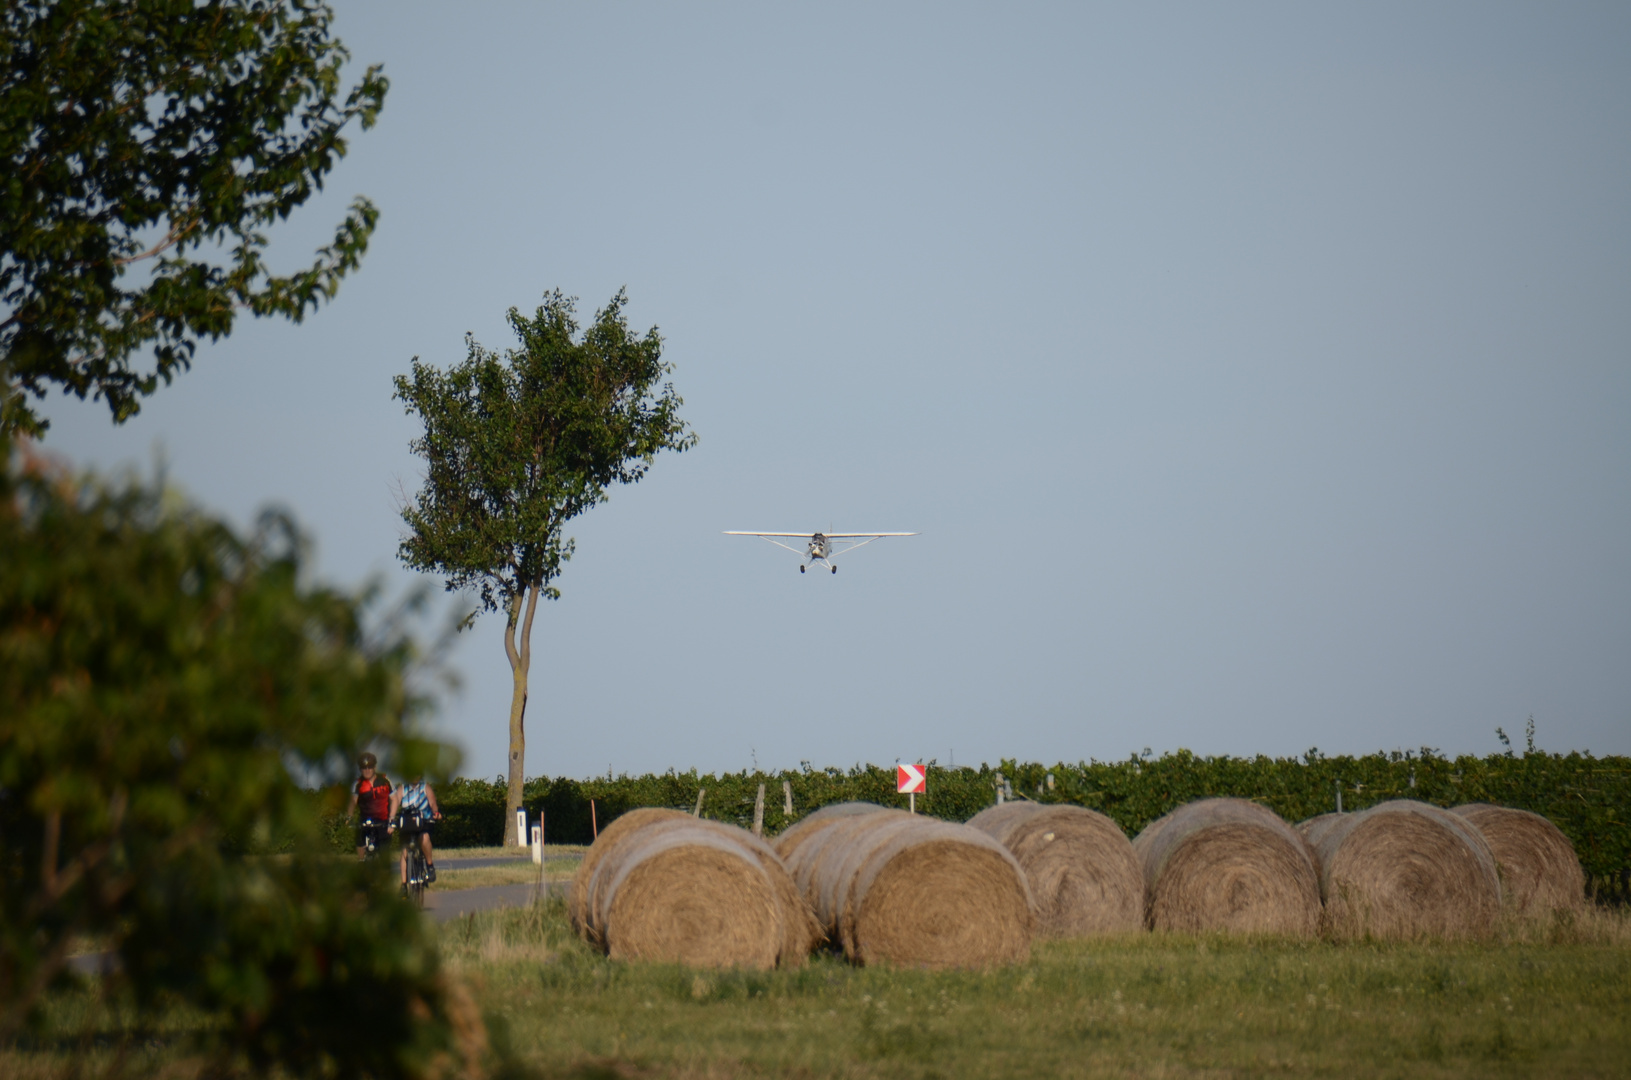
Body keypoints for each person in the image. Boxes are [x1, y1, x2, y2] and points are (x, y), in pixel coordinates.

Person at [389, 774, 442, 890]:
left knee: (425, 837)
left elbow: (432, 802)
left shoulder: (425, 787)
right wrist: (391, 819)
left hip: (424, 821)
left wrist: (435, 812)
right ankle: (403, 885)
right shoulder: (402, 788)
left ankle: (429, 866)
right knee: (404, 850)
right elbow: (396, 803)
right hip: (407, 823)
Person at [346, 752, 393, 860]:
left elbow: (394, 798)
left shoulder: (385, 780)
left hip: (383, 819)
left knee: (384, 849)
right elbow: (353, 801)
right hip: (365, 818)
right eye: (364, 767)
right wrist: (349, 816)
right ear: (360, 769)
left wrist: (392, 818)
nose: (367, 770)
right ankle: (362, 861)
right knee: (359, 838)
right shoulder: (358, 784)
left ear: (374, 767)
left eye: (370, 767)